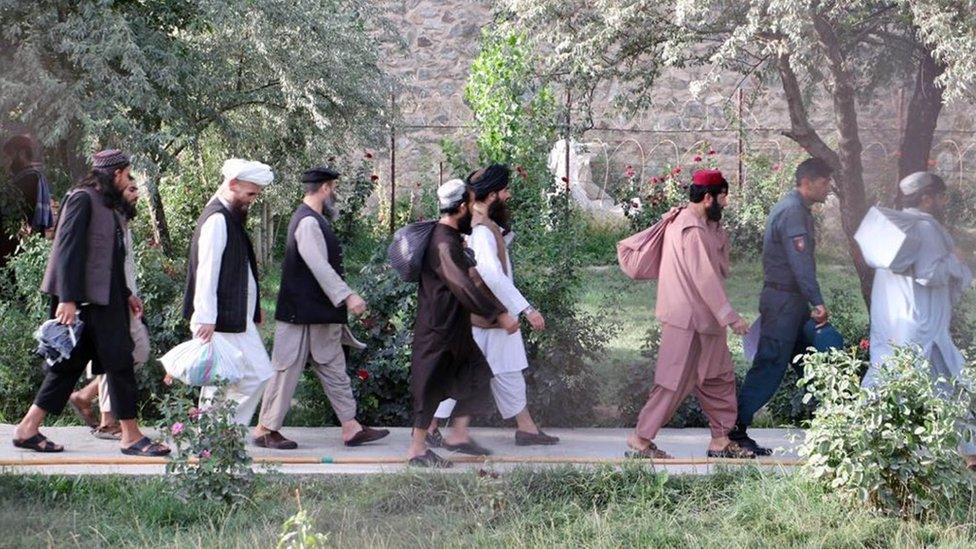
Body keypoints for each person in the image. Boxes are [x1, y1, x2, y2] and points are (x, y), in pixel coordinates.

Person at [12, 149, 169, 456]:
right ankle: (131, 436)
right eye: (127, 173)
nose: (128, 179)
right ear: (117, 173)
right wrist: (67, 299)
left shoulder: (106, 203)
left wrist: (126, 293)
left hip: (106, 299)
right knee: (120, 363)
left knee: (67, 368)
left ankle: (27, 429)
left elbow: (107, 259)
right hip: (87, 303)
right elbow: (66, 249)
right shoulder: (82, 199)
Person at [254, 165, 389, 449]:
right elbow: (319, 266)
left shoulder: (314, 219)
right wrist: (348, 296)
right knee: (286, 367)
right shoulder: (308, 222)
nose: (334, 194)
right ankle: (266, 428)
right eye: (333, 189)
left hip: (318, 313)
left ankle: (351, 427)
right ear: (325, 188)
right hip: (299, 314)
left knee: (333, 367)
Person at [426, 164, 558, 447]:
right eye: (505, 190)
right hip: (487, 314)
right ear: (492, 195)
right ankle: (434, 426)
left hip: (487, 315)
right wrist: (525, 309)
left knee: (505, 368)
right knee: (468, 372)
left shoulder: (483, 226)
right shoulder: (481, 229)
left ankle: (526, 428)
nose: (509, 195)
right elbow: (491, 273)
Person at [626, 169, 753, 459]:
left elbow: (722, 267)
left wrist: (718, 229)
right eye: (722, 197)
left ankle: (720, 440)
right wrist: (731, 317)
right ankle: (640, 439)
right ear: (708, 198)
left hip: (705, 321)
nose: (726, 203)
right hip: (686, 321)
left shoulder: (701, 223)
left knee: (719, 378)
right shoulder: (690, 229)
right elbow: (706, 278)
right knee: (673, 382)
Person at [860, 171, 976, 469]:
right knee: (949, 385)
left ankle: (862, 441)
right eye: (940, 196)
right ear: (927, 198)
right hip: (924, 327)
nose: (943, 201)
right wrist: (957, 261)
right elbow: (929, 273)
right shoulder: (927, 228)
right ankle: (969, 451)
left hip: (894, 322)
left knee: (887, 380)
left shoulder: (896, 227)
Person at [406, 179, 520, 467]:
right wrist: (499, 314)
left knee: (478, 374)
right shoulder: (443, 241)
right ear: (460, 208)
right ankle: (417, 451)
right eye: (471, 204)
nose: (475, 209)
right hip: (437, 330)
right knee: (430, 387)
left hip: (454, 328)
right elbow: (464, 286)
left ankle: (458, 434)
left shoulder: (451, 237)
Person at [730, 157, 832, 456]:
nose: (828, 188)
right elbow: (800, 265)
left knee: (810, 365)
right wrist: (818, 301)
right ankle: (734, 429)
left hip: (790, 303)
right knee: (770, 366)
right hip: (784, 303)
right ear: (808, 181)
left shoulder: (796, 209)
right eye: (825, 182)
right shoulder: (793, 213)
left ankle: (834, 427)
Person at [181, 158, 274, 426]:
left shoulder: (228, 217)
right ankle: (218, 435)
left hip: (235, 316)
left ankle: (217, 435)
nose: (252, 200)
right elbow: (207, 272)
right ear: (232, 185)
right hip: (219, 318)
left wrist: (253, 310)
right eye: (250, 194)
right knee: (239, 376)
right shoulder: (217, 220)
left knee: (232, 378)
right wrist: (206, 318)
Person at [67, 180, 151, 439]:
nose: (136, 194)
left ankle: (88, 399)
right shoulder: (107, 217)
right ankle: (105, 418)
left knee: (121, 356)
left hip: (123, 297)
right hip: (112, 299)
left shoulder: (121, 220)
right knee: (129, 353)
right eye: (131, 189)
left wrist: (130, 294)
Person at [1, 134, 54, 265]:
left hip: (18, 246)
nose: (7, 160)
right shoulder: (23, 178)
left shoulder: (29, 179)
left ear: (22, 153)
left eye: (10, 155)